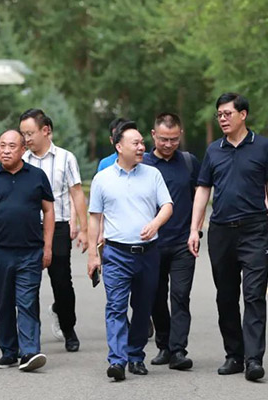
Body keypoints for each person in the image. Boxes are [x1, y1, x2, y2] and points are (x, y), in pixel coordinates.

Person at [187, 93, 268, 382]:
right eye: (219, 115)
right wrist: (194, 229)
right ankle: (234, 355)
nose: (222, 119)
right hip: (221, 232)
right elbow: (203, 190)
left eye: (227, 113)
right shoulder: (213, 150)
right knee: (226, 296)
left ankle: (254, 359)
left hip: (254, 230)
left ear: (243, 114)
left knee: (254, 295)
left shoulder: (262, 146)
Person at [87, 121, 173, 382]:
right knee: (115, 306)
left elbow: (167, 205)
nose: (141, 147)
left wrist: (155, 224)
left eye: (142, 143)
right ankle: (117, 360)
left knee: (143, 307)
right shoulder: (102, 179)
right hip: (116, 254)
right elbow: (94, 218)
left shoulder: (152, 175)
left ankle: (135, 355)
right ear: (119, 146)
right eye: (135, 143)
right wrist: (93, 254)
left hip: (148, 253)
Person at [0, 129, 54, 372]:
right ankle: (8, 352)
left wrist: (48, 246)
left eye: (11, 146)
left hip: (31, 250)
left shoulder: (37, 176)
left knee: (27, 300)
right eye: (2, 146)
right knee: (4, 300)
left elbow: (48, 210)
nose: (5, 151)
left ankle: (29, 352)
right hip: (0, 251)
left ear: (23, 149)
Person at [19, 109, 89, 352]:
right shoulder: (22, 159)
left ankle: (68, 328)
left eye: (30, 133)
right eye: (23, 134)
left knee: (62, 282)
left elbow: (76, 193)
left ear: (45, 130)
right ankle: (30, 336)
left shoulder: (65, 158)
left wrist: (83, 229)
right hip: (29, 228)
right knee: (28, 283)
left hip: (58, 226)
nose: (26, 138)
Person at [143, 113, 201, 370]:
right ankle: (164, 345)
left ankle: (178, 350)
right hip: (152, 244)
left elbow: (200, 197)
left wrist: (195, 230)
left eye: (174, 139)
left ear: (181, 135)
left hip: (182, 244)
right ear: (153, 135)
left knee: (180, 296)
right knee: (155, 297)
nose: (168, 144)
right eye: (164, 139)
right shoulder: (143, 164)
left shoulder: (189, 162)